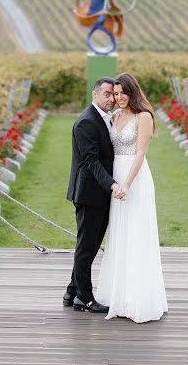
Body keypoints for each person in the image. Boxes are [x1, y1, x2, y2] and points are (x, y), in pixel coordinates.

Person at [95, 73, 168, 323]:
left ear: (132, 91)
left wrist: (126, 183)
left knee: (137, 233)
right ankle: (119, 293)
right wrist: (114, 183)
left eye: (122, 93)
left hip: (135, 179)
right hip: (116, 178)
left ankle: (139, 297)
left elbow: (140, 154)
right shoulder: (116, 116)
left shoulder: (143, 117)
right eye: (115, 94)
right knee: (119, 233)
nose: (118, 98)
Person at [64, 77, 126, 313]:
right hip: (90, 193)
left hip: (98, 193)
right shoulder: (86, 122)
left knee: (88, 245)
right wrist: (112, 184)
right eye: (107, 94)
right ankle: (85, 299)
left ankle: (71, 291)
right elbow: (91, 162)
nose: (112, 99)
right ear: (95, 95)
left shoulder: (104, 118)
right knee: (86, 247)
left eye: (114, 95)